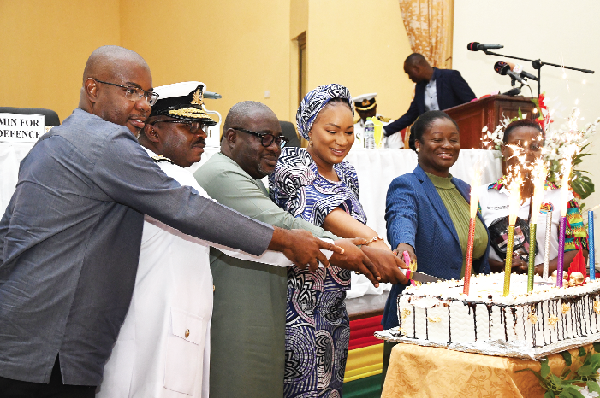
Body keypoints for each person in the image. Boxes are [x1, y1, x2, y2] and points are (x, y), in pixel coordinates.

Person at [0, 46, 341, 398]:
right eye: (130, 91)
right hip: (53, 348)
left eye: (146, 94)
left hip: (23, 336)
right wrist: (287, 241)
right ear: (93, 89)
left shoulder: (52, 141)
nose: (143, 105)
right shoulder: (106, 143)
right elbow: (188, 208)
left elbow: (8, 234)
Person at [194, 101, 402, 398]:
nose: (275, 148)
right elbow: (283, 222)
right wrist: (354, 250)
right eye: (263, 138)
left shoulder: (248, 175)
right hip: (247, 319)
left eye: (278, 139)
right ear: (231, 137)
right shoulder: (223, 175)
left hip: (278, 310)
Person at [269, 84, 407, 397]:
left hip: (334, 304)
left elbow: (354, 227)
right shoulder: (290, 164)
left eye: (348, 131)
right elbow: (325, 209)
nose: (342, 141)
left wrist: (378, 252)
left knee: (331, 389)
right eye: (332, 130)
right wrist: (376, 246)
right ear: (308, 126)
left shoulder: (347, 172)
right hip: (299, 307)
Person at [382, 110, 490, 378]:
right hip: (425, 315)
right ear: (418, 144)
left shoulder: (466, 189)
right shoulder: (407, 185)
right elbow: (402, 217)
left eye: (453, 140)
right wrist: (404, 246)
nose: (447, 146)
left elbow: (474, 247)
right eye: (437, 139)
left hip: (470, 315)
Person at [477, 118, 588, 275]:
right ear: (503, 150)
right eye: (518, 145)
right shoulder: (481, 196)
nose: (527, 153)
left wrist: (535, 270)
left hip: (547, 292)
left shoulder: (562, 197)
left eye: (535, 147)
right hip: (493, 291)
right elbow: (471, 252)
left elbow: (579, 251)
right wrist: (503, 267)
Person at [383, 53, 476, 141]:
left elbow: (472, 104)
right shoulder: (420, 88)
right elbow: (410, 115)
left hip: (454, 133)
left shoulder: (450, 77)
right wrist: (385, 131)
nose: (409, 77)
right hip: (430, 137)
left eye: (409, 73)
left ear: (417, 68)